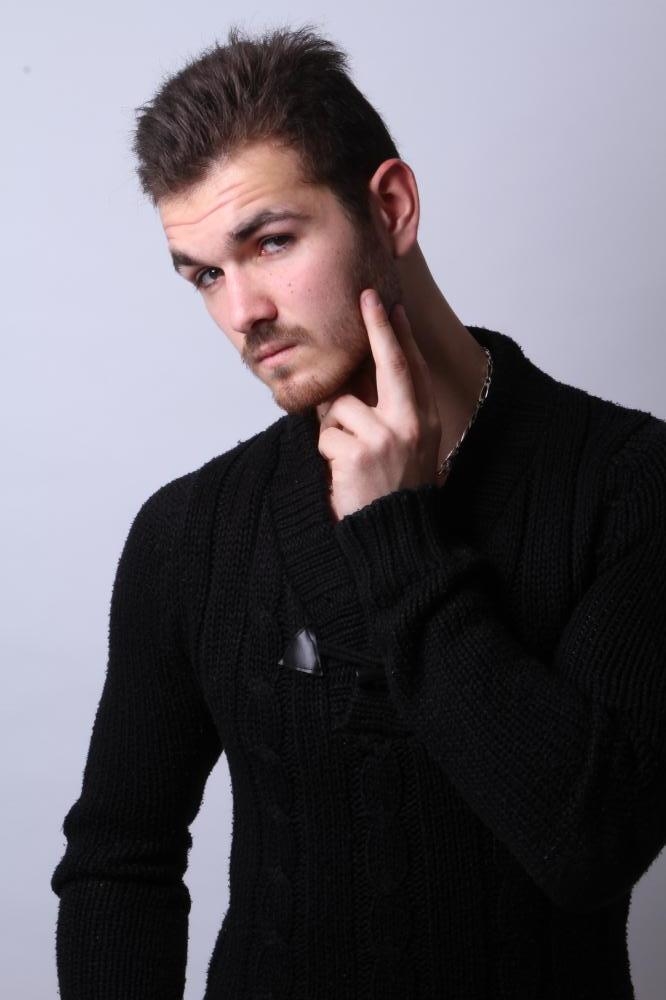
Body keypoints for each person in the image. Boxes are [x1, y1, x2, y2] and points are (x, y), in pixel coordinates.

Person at [51, 24, 666, 1000]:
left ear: (391, 207)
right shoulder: (190, 535)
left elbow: (591, 844)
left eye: (270, 242)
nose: (242, 312)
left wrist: (399, 540)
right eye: (205, 273)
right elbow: (117, 865)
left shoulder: (632, 484)